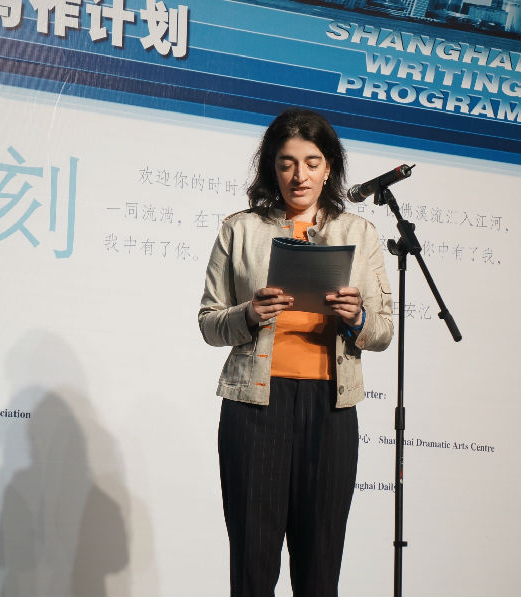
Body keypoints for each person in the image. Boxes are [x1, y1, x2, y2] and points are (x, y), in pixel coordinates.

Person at [198, 108, 395, 597]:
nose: (299, 175)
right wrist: (249, 313)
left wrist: (357, 318)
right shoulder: (240, 229)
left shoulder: (360, 233)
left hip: (330, 408)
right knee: (252, 565)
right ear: (273, 167)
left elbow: (383, 331)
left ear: (329, 168)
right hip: (254, 406)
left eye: (311, 162)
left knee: (319, 568)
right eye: (286, 163)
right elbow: (209, 323)